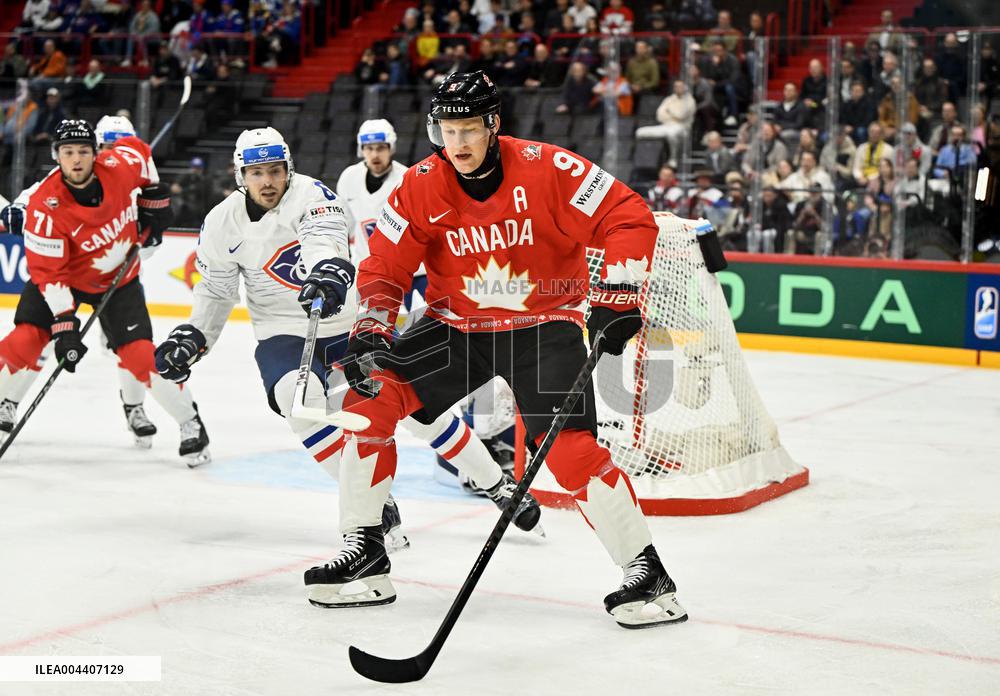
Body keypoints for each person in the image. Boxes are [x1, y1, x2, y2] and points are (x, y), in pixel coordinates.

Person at [312, 71, 688, 628]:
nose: (457, 144)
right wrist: (371, 322)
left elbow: (626, 215)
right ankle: (365, 554)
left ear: (492, 125)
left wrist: (620, 289)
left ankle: (648, 575)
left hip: (542, 325)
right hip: (455, 328)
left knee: (571, 453)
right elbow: (386, 263)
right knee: (368, 398)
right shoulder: (418, 184)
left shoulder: (547, 167)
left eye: (468, 129)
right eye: (446, 130)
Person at [154, 126, 540, 557]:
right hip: (281, 331)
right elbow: (216, 291)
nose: (268, 182)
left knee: (418, 411)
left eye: (276, 171)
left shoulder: (315, 194)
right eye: (257, 172)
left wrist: (328, 271)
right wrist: (193, 337)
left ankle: (496, 483)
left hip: (348, 321)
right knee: (296, 402)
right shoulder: (221, 223)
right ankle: (370, 500)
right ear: (240, 174)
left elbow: (326, 240)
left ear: (289, 169)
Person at [0, 120, 210, 464]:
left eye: (84, 151)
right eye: (68, 152)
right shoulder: (44, 206)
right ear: (57, 157)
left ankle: (192, 425)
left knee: (141, 356)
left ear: (97, 153)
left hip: (118, 279)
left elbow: (141, 154)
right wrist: (65, 325)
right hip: (64, 279)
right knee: (25, 342)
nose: (77, 159)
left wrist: (154, 198)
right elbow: (50, 275)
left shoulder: (120, 165)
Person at [336, 120, 426, 310]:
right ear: (362, 150)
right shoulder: (348, 178)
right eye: (369, 148)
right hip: (369, 272)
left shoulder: (407, 178)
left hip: (412, 274)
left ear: (391, 148)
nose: (375, 154)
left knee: (418, 332)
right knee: (375, 332)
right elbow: (345, 226)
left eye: (380, 148)